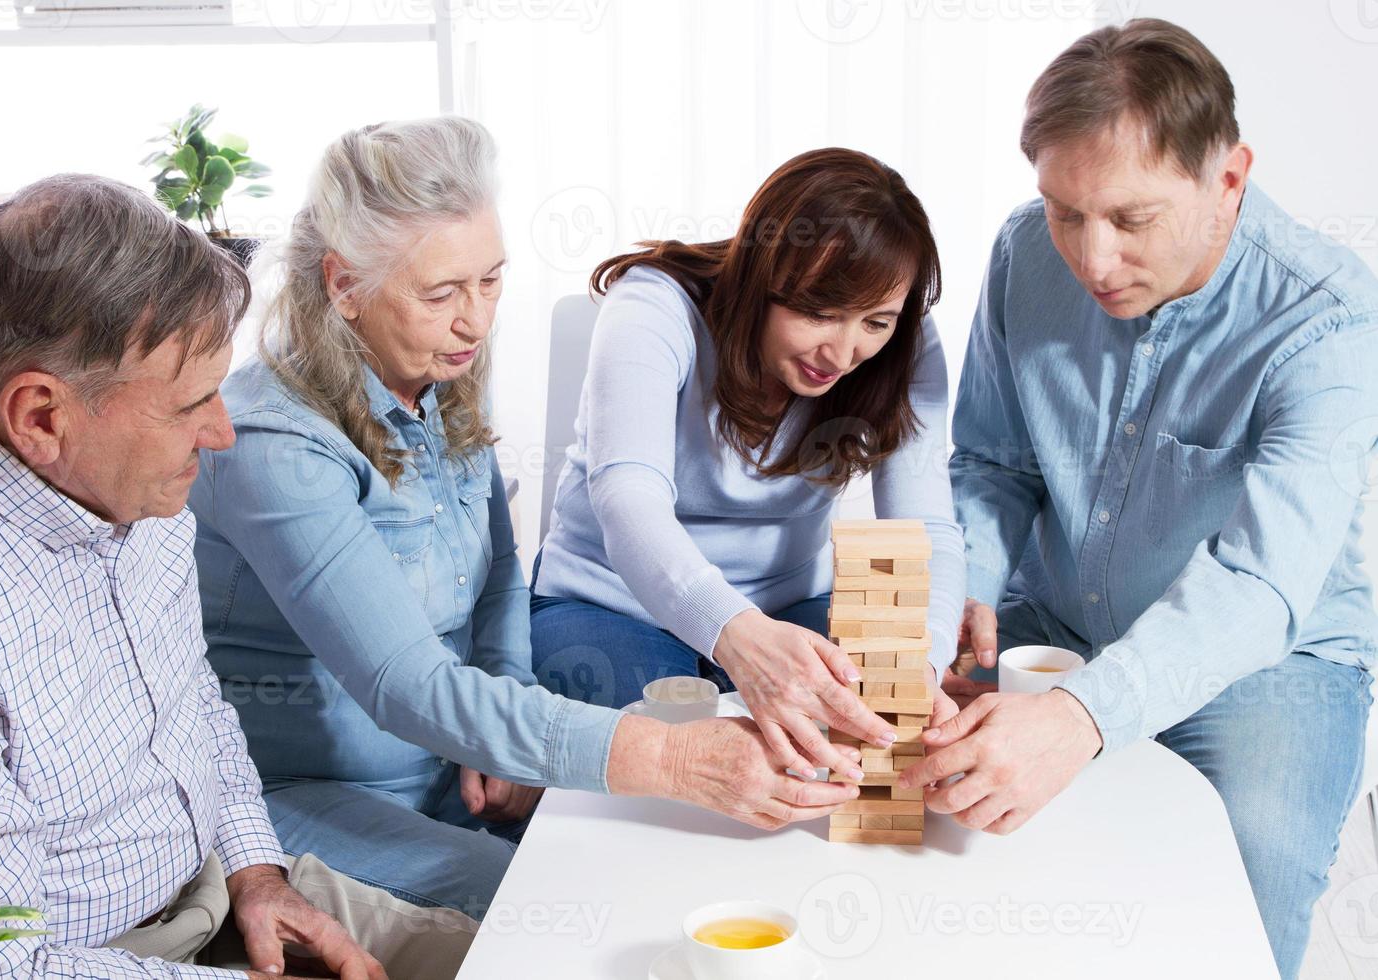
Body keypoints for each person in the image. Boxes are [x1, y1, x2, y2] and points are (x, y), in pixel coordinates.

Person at [187, 117, 861, 920]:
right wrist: (672, 759)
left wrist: (504, 690)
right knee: (554, 911)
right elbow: (406, 684)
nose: (476, 319)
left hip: (448, 766)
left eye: (492, 280)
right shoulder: (272, 442)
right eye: (441, 293)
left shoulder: (437, 369)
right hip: (303, 798)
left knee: (663, 867)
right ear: (343, 286)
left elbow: (503, 574)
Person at [899, 20, 1378, 977]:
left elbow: (1258, 586)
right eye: (1065, 211)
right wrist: (966, 591)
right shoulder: (1025, 251)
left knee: (1240, 890)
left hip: (1268, 660)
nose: (1091, 257)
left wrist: (1078, 717)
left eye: (1130, 219)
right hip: (1054, 616)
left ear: (1228, 180)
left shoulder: (1332, 322)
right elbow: (995, 464)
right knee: (899, 802)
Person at [0, 173, 477, 979]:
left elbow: (191, 704)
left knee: (557, 952)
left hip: (217, 893)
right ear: (41, 416)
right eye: (190, 405)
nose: (221, 434)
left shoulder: (122, 475)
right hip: (82, 961)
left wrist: (257, 875)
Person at [529, 147, 972, 779]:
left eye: (874, 321)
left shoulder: (901, 346)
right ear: (760, 276)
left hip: (790, 603)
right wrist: (735, 636)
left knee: (855, 766)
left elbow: (927, 529)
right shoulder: (655, 306)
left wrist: (923, 664)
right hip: (613, 599)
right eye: (819, 313)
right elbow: (628, 500)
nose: (844, 352)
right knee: (670, 767)